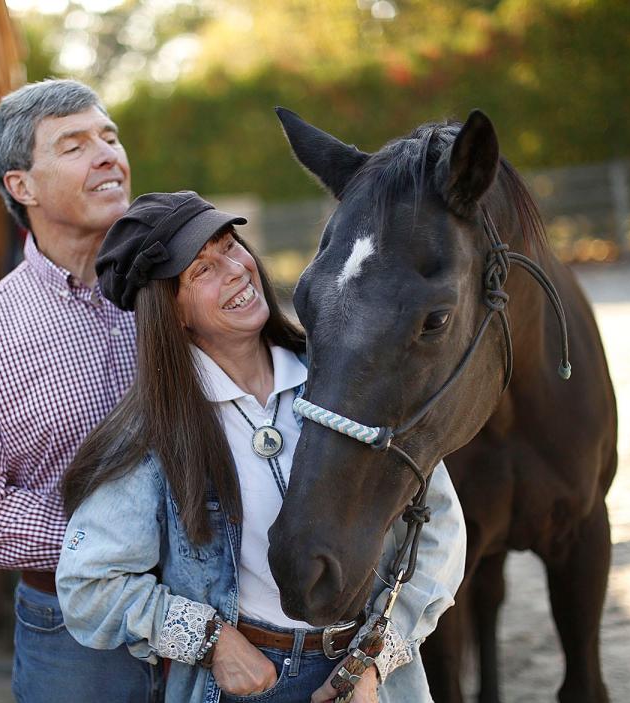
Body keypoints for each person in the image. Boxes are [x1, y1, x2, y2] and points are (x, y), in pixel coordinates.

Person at [56, 190, 467, 702]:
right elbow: (88, 585)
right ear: (172, 311)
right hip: (245, 682)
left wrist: (373, 661)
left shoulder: (352, 378)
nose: (234, 269)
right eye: (200, 270)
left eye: (229, 245)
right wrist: (214, 643)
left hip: (368, 681)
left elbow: (439, 528)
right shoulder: (152, 434)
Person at [0, 79, 156, 702]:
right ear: (21, 186)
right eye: (74, 145)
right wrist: (111, 540)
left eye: (109, 136)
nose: (108, 154)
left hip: (223, 607)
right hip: (73, 634)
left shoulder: (178, 286)